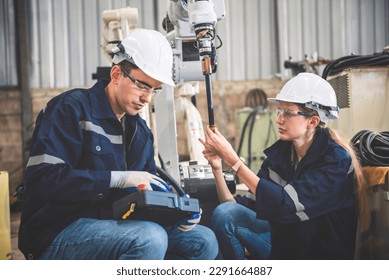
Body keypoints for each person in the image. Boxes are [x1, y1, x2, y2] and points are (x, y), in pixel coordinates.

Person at [18, 28, 218, 260]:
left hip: (112, 222)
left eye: (154, 90)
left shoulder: (140, 132)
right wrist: (117, 179)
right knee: (150, 237)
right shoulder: (70, 109)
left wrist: (175, 212)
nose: (148, 98)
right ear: (116, 75)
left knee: (203, 240)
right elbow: (42, 180)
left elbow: (144, 197)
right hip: (57, 231)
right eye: (142, 86)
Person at [200, 72, 367, 259]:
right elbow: (234, 210)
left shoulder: (335, 160)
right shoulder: (279, 157)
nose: (279, 119)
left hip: (319, 256)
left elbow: (287, 206)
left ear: (313, 121)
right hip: (288, 247)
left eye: (288, 113)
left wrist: (235, 161)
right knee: (224, 214)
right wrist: (217, 169)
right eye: (279, 111)